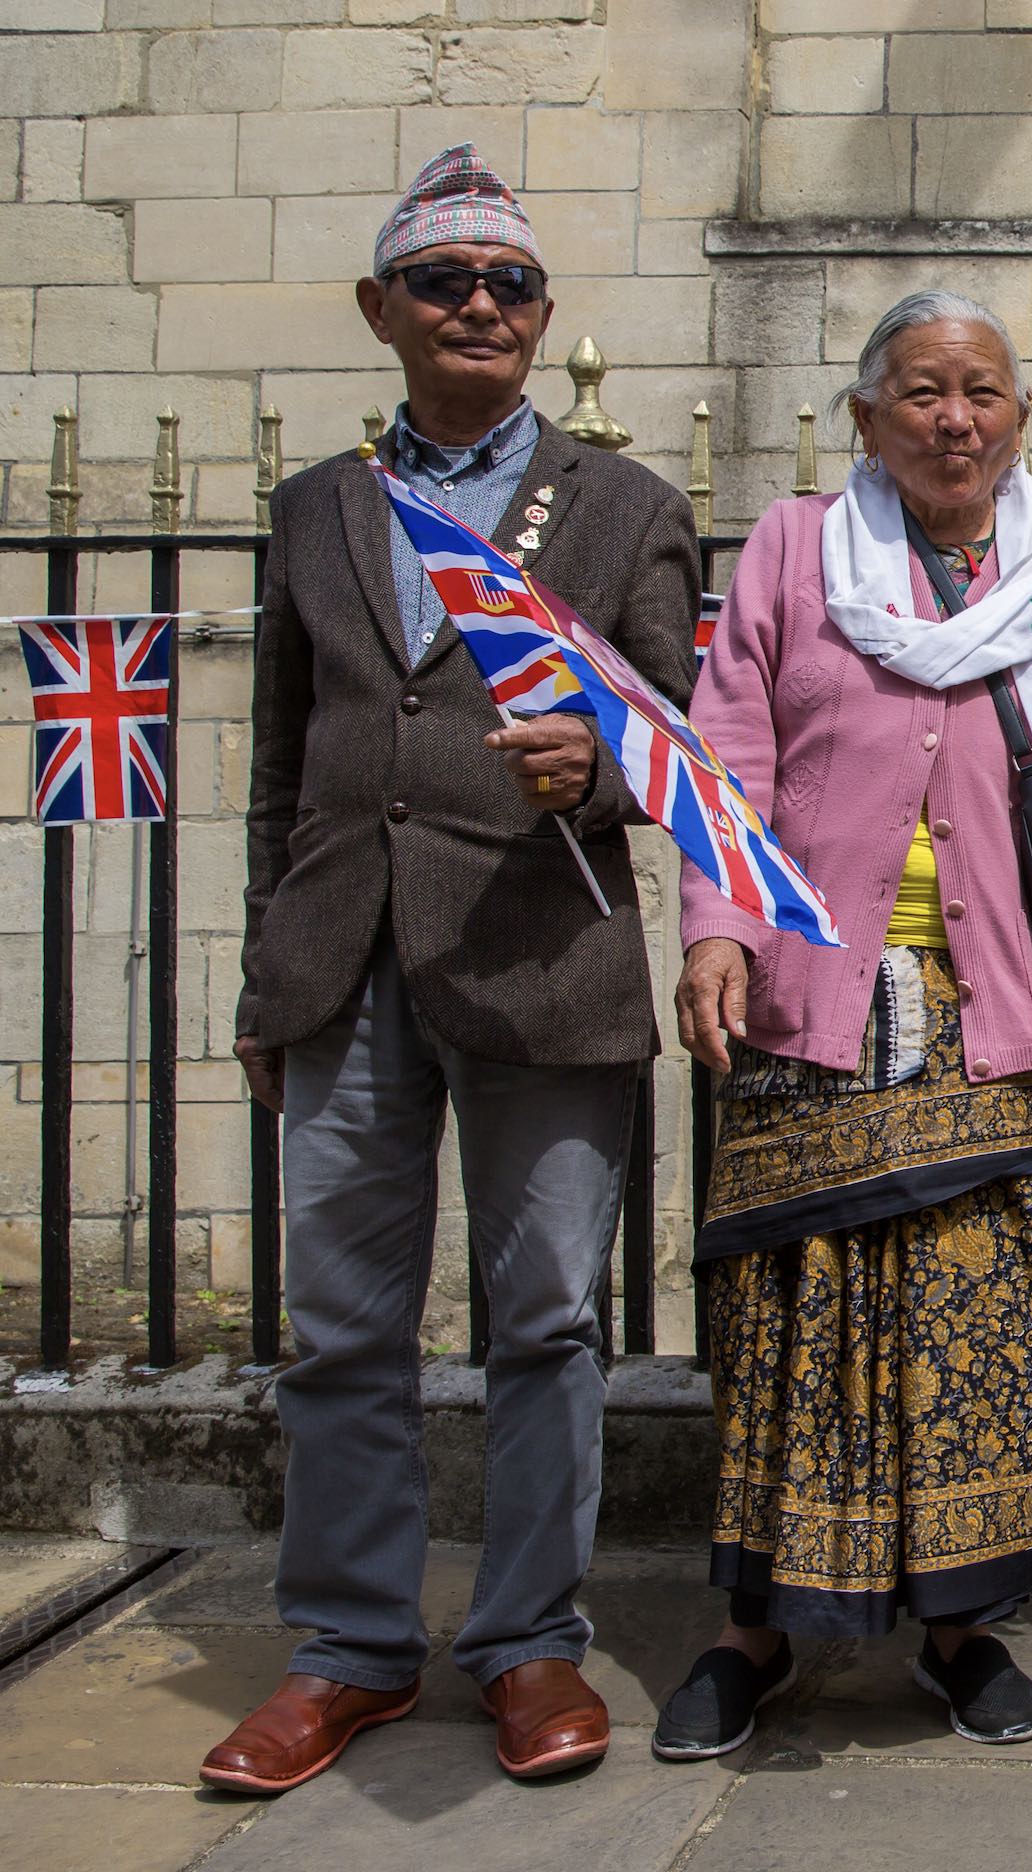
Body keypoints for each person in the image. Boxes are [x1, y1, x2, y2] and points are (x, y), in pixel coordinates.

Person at [205, 146, 699, 1793]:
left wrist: (598, 765)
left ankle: (530, 1640)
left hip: (543, 961)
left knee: (546, 1320)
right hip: (343, 965)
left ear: (544, 317)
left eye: (508, 285)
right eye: (442, 282)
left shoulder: (622, 508)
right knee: (342, 1328)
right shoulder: (316, 509)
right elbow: (287, 764)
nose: (478, 305)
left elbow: (683, 743)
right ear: (382, 309)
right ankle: (349, 1647)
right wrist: (268, 977)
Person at [650, 289, 1032, 1760]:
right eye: (924, 392)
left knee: (976, 1319)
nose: (956, 419)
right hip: (811, 992)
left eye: (983, 393)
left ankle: (959, 1626)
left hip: (992, 1001)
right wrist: (716, 926)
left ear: (1020, 419)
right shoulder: (796, 549)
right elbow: (727, 747)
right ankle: (755, 1631)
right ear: (867, 417)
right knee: (793, 1314)